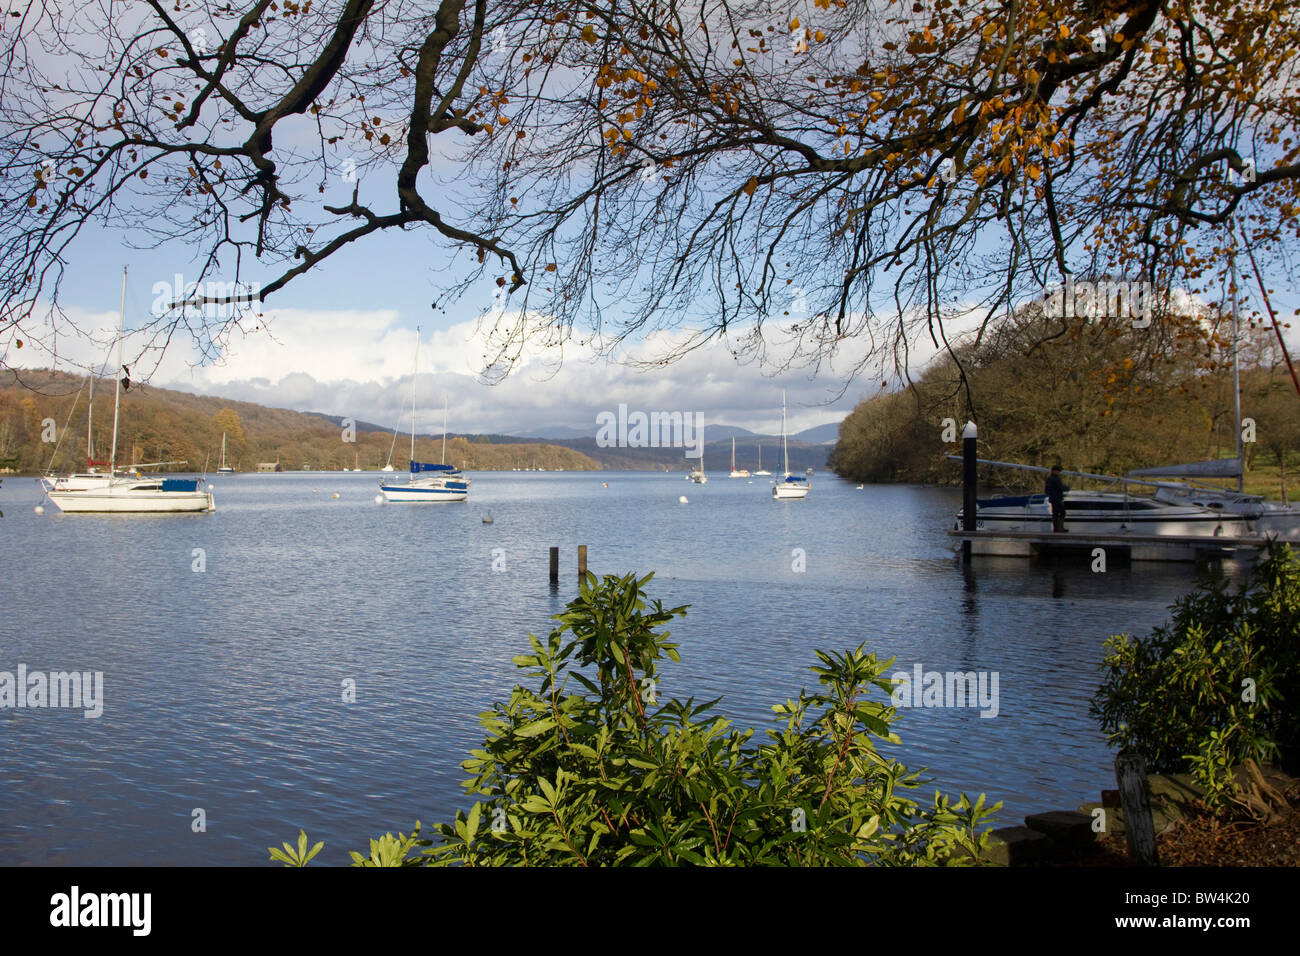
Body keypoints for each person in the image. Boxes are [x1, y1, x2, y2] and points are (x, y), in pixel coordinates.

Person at [1045, 464, 1068, 533]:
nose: (1058, 473)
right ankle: (1060, 528)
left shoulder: (1048, 479)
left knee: (1055, 513)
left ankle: (1056, 529)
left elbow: (1046, 490)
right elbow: (1060, 488)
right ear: (1054, 471)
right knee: (1062, 512)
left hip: (1052, 499)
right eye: (1058, 471)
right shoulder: (1055, 479)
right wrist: (1067, 488)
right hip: (1057, 498)